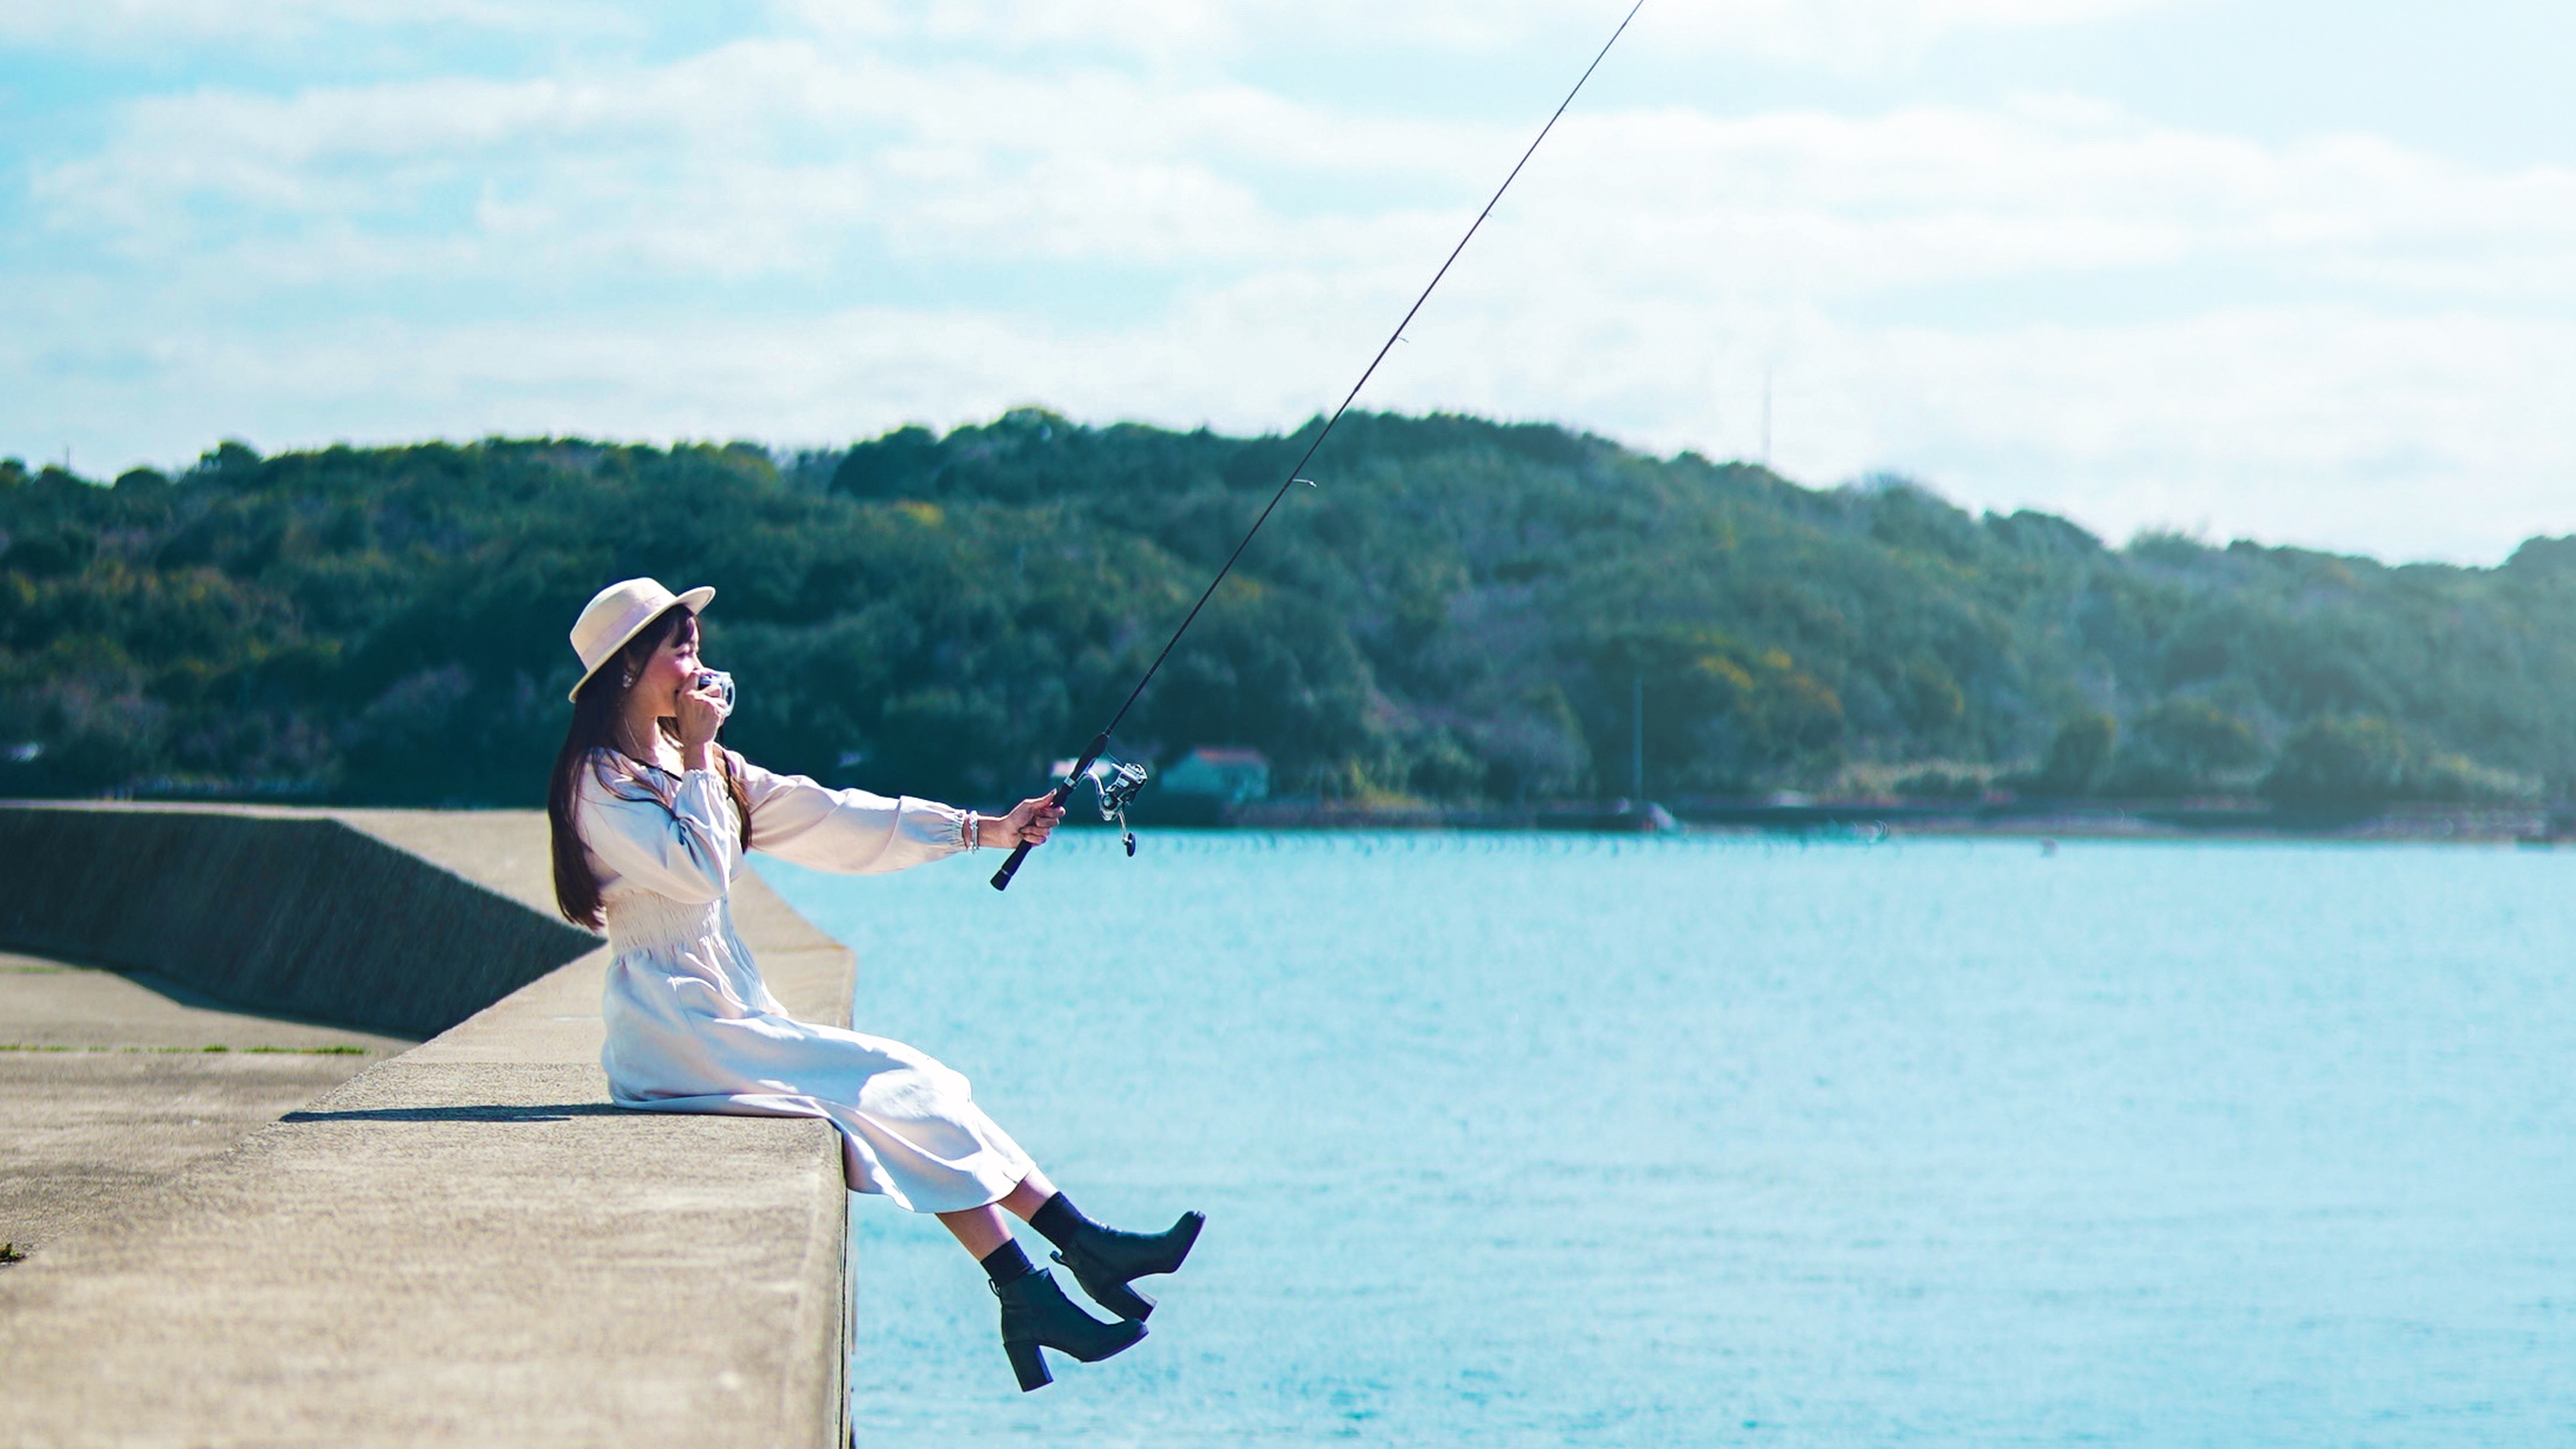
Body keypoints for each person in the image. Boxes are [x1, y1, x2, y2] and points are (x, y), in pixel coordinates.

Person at [544, 577, 1201, 1392]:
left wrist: (980, 830)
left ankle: (1050, 1268)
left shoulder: (690, 765)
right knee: (901, 1081)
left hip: (720, 1014)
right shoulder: (601, 783)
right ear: (626, 671)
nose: (698, 666)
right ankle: (1065, 1261)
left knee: (902, 1094)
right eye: (680, 649)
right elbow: (704, 871)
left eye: (697, 647)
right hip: (673, 1033)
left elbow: (830, 817)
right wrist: (701, 757)